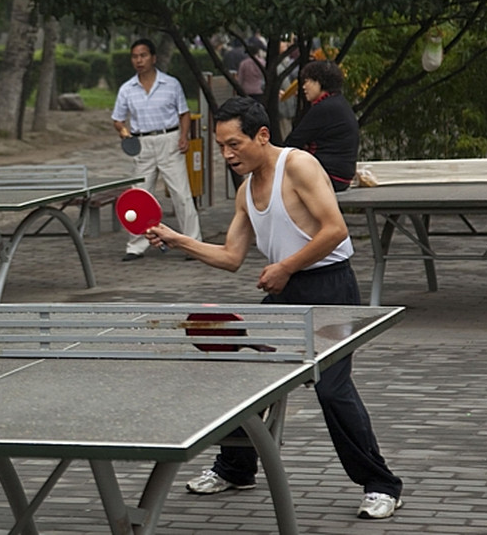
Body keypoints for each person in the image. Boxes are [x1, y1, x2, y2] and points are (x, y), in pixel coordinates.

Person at [146, 97, 403, 520]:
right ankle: (236, 468)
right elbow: (231, 257)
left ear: (262, 135)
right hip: (286, 296)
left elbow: (334, 229)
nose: (228, 154)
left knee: (331, 389)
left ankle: (381, 485)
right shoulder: (246, 190)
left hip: (331, 290)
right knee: (241, 377)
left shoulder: (298, 166)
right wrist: (179, 240)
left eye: (235, 144)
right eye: (222, 146)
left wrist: (285, 266)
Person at [111, 38, 202, 261]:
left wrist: (183, 136)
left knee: (181, 194)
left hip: (169, 140)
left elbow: (184, 114)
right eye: (135, 56)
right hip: (142, 144)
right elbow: (118, 120)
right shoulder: (126, 89)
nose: (139, 60)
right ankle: (136, 245)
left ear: (153, 58)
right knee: (139, 197)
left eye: (143, 55)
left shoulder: (171, 84)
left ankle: (193, 243)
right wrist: (126, 136)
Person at [283, 60, 359, 192]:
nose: (304, 87)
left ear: (320, 82)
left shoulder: (324, 108)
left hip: (327, 177)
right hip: (341, 176)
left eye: (308, 81)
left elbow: (292, 142)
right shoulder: (338, 102)